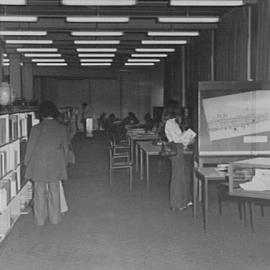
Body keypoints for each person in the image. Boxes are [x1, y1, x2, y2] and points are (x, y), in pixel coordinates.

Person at [24, 101, 69, 226]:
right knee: (54, 189)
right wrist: (64, 164)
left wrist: (26, 162)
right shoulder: (61, 128)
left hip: (39, 163)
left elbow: (30, 147)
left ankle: (40, 220)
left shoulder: (36, 128)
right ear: (54, 113)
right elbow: (66, 148)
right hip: (56, 163)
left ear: (41, 113)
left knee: (39, 190)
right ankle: (55, 219)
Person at [164, 100, 193, 212]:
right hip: (177, 149)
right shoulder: (170, 123)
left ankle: (183, 201)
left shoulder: (173, 122)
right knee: (177, 176)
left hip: (178, 149)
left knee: (181, 176)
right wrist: (187, 138)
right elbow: (177, 139)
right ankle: (176, 203)